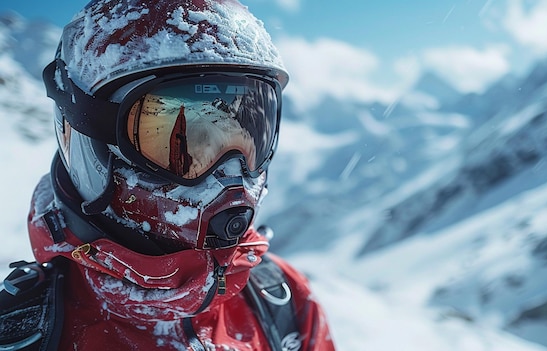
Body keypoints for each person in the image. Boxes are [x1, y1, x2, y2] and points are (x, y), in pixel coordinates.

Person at [0, 0, 336, 350]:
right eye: (179, 146)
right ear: (90, 141)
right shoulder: (22, 336)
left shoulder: (284, 302)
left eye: (248, 135)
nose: (230, 174)